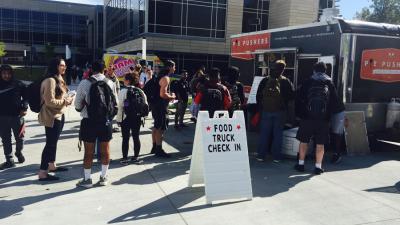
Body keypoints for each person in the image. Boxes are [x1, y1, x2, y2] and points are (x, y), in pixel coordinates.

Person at [75, 60, 118, 188]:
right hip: (105, 121)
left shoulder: (84, 83)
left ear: (91, 69)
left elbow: (77, 106)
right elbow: (115, 104)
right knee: (105, 150)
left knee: (88, 152)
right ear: (104, 69)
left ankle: (87, 179)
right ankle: (103, 177)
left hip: (89, 121)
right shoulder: (110, 82)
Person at [294, 62, 342, 175]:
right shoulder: (329, 83)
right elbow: (335, 102)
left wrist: (300, 115)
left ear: (314, 70)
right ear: (325, 71)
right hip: (323, 119)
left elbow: (299, 99)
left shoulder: (308, 81)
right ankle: (318, 167)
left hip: (307, 118)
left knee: (304, 141)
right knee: (320, 144)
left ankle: (301, 164)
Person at [38, 58, 74, 181]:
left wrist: (67, 99)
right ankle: (42, 172)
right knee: (50, 144)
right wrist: (65, 101)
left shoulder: (58, 78)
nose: (65, 67)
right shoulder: (50, 80)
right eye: (62, 65)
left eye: (65, 65)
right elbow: (49, 101)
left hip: (59, 115)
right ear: (55, 66)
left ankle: (52, 166)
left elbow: (58, 96)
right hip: (52, 117)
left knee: (53, 143)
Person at [255, 60, 294, 163]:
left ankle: (261, 156)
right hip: (280, 112)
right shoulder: (285, 81)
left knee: (264, 133)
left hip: (266, 111)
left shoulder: (265, 80)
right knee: (278, 134)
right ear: (283, 69)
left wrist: (261, 108)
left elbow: (258, 95)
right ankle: (277, 157)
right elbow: (291, 96)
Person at [116, 71, 148, 165]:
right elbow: (145, 105)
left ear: (127, 81)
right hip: (137, 118)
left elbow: (120, 107)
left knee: (125, 138)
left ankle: (125, 158)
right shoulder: (140, 91)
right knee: (136, 137)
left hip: (125, 118)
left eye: (125, 79)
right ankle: (135, 157)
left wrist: (118, 120)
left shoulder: (123, 91)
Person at [0, 65, 28, 170]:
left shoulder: (18, 84)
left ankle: (18, 152)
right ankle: (9, 160)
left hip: (17, 116)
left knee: (20, 138)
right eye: (4, 73)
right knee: (6, 139)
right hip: (2, 118)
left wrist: (24, 107)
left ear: (11, 74)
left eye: (8, 73)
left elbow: (26, 96)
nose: (6, 76)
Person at [150, 60, 176, 158]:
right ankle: (159, 149)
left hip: (155, 105)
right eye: (174, 66)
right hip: (161, 106)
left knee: (156, 127)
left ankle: (154, 147)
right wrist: (172, 96)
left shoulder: (158, 76)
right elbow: (162, 94)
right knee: (160, 129)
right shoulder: (166, 78)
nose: (175, 68)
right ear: (169, 67)